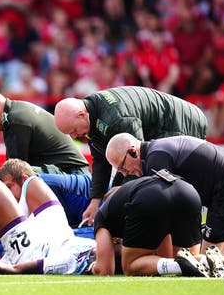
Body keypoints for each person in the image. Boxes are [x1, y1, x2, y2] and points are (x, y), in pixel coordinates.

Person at [53, 86, 208, 225]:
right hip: (163, 122)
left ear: (81, 115)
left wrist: (115, 199)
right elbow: (101, 161)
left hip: (181, 122)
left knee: (166, 181)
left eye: (73, 130)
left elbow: (134, 161)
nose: (73, 137)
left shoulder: (117, 118)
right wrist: (95, 202)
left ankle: (192, 228)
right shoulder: (91, 115)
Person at [105, 133, 224, 264]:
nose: (125, 174)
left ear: (133, 151)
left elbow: (164, 210)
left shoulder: (156, 158)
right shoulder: (155, 152)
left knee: (207, 262)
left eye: (123, 167)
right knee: (207, 260)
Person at [90, 175, 224, 278]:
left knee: (130, 266)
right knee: (188, 257)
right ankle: (207, 261)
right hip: (187, 190)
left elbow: (105, 270)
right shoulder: (130, 195)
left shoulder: (103, 216)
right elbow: (167, 256)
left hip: (152, 197)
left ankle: (181, 265)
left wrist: (91, 267)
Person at [0, 176, 95, 276]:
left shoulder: (71, 261)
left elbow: (18, 269)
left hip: (34, 252)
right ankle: (13, 244)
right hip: (61, 235)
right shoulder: (100, 246)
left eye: (9, 187)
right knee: (33, 182)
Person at [0, 85, 90, 175]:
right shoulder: (17, 110)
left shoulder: (15, 120)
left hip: (72, 176)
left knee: (16, 175)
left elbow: (13, 173)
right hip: (73, 173)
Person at [0, 158, 91, 228]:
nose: (7, 194)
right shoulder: (39, 185)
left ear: (25, 179)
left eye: (9, 187)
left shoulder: (43, 186)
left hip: (102, 203)